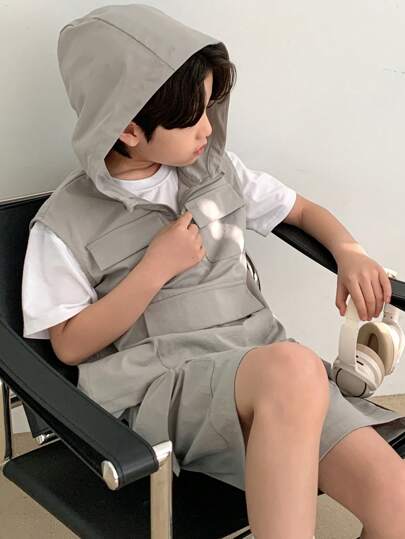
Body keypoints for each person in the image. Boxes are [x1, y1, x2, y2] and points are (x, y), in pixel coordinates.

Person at [21, 5, 405, 538]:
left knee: (397, 504)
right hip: (167, 386)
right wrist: (154, 269)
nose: (207, 127)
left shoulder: (216, 169)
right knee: (295, 367)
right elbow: (68, 345)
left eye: (208, 108)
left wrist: (350, 251)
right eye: (191, 118)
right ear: (128, 129)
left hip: (265, 369)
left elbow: (300, 211)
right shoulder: (64, 222)